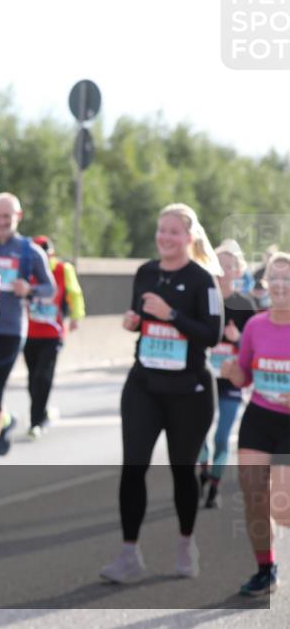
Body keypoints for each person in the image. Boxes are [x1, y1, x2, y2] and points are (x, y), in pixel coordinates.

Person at [99, 203, 224, 584]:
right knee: (133, 466)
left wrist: (171, 315)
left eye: (174, 232)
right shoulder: (145, 273)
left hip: (189, 390)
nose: (165, 237)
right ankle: (128, 555)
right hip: (144, 385)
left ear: (189, 237)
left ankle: (186, 544)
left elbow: (213, 335)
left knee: (182, 470)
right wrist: (133, 322)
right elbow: (140, 319)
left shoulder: (204, 281)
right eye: (161, 230)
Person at [0, 192, 55, 481]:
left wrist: (28, 290)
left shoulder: (30, 251)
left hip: (12, 330)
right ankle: (5, 419)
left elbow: (49, 288)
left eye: (7, 217)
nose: (2, 222)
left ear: (18, 217)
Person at [221, 252, 290, 596]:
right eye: (274, 279)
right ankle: (266, 569)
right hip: (260, 417)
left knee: (283, 507)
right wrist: (234, 372)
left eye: (287, 279)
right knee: (253, 495)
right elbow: (243, 376)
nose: (280, 285)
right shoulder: (255, 325)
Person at [198, 240, 256, 508]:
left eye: (229, 265)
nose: (223, 269)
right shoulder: (202, 298)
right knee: (199, 434)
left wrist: (239, 338)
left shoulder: (245, 305)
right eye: (218, 264)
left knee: (222, 437)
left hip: (231, 381)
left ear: (238, 271)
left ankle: (214, 485)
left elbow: (258, 347)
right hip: (202, 377)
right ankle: (203, 470)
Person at [23, 235, 85, 439]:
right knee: (33, 379)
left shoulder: (62, 269)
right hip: (29, 333)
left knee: (43, 376)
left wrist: (76, 316)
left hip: (53, 333)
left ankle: (35, 422)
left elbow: (74, 293)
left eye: (45, 253)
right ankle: (42, 412)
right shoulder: (25, 269)